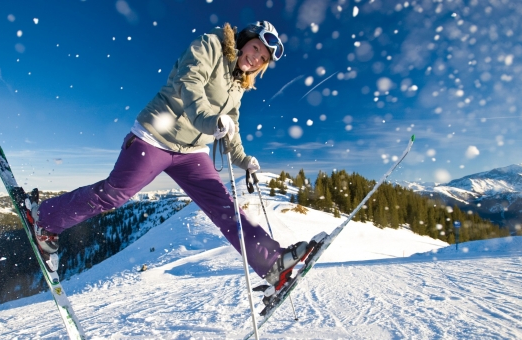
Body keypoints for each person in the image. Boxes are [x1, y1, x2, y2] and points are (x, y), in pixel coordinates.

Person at [26, 21, 312, 305]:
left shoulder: (238, 84)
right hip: (154, 136)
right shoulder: (210, 45)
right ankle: (43, 219)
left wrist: (244, 160)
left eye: (262, 58)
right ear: (245, 39)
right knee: (116, 194)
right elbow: (190, 87)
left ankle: (274, 265)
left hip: (191, 151)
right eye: (256, 49)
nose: (256, 58)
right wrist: (210, 122)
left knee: (224, 206)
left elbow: (231, 125)